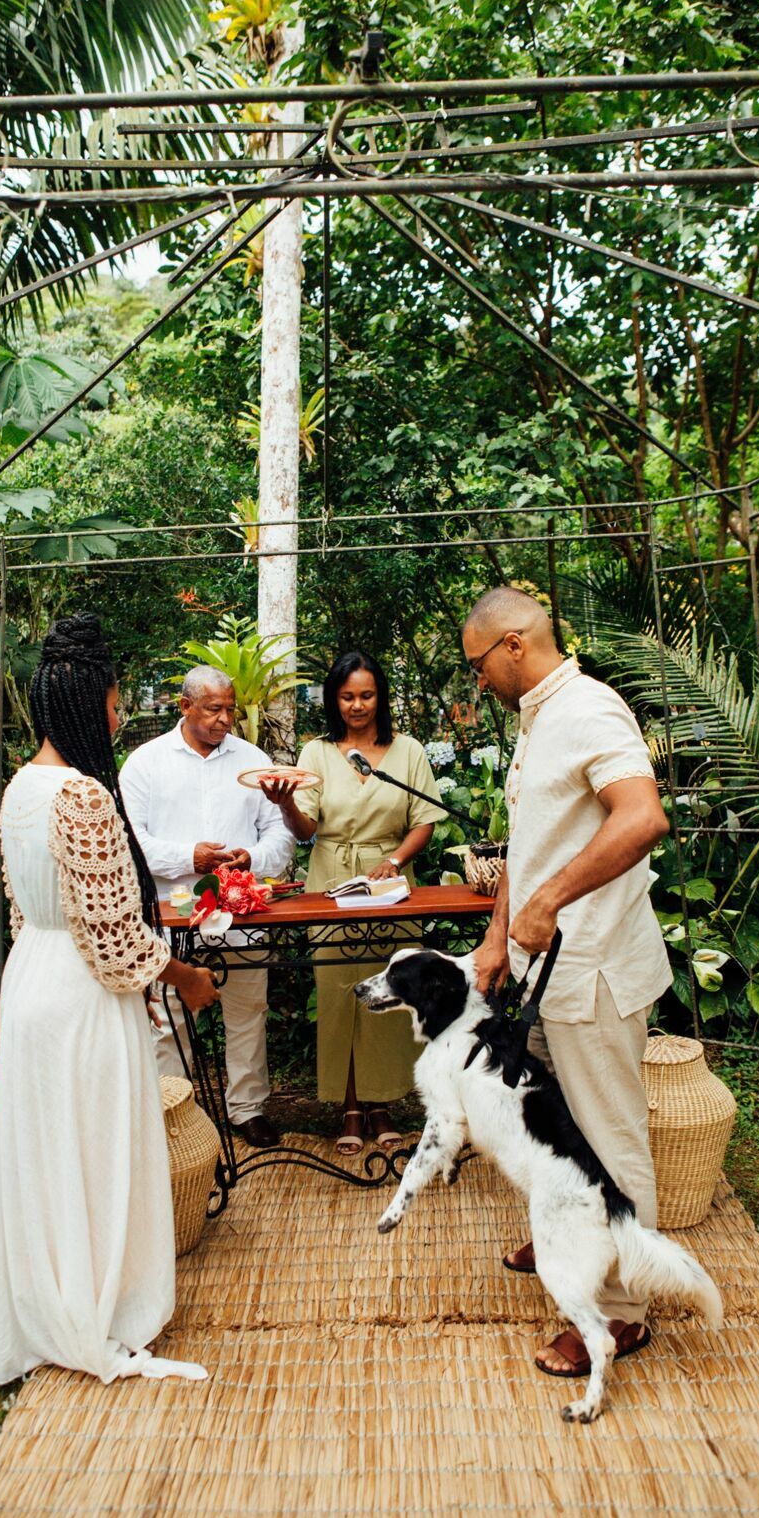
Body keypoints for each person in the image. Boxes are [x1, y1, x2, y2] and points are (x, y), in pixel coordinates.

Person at [0, 612, 217, 1387]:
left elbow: (26, 909)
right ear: (86, 703)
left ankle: (53, 1295)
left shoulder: (21, 787)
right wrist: (184, 979)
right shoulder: (81, 796)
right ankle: (97, 1305)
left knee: (50, 1152)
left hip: (33, 979)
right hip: (81, 993)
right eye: (114, 703)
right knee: (96, 1149)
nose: (117, 717)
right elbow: (115, 940)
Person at [462, 585, 672, 1381]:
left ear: (514, 644)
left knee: (606, 1136)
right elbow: (531, 843)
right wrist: (494, 936)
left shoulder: (588, 710)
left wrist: (550, 901)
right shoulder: (538, 719)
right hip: (542, 972)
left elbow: (641, 817)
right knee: (552, 1128)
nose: (476, 681)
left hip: (593, 972)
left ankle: (618, 1313)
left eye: (478, 663)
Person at [264, 651, 447, 1153]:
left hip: (390, 884)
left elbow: (425, 818)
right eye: (347, 697)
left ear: (380, 696)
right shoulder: (315, 754)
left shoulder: (407, 750)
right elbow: (306, 829)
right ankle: (348, 1105)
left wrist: (396, 859)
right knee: (340, 992)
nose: (357, 705)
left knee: (390, 990)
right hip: (329, 883)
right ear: (333, 699)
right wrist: (284, 806)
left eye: (366, 695)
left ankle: (382, 1102)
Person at [119, 666, 295, 1148]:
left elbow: (280, 836)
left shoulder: (253, 761)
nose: (223, 720)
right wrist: (188, 857)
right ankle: (175, 1113)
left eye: (230, 709)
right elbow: (130, 842)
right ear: (184, 706)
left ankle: (247, 1109)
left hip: (242, 913)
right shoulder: (145, 763)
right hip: (172, 917)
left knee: (247, 1010)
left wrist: (251, 857)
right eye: (213, 709)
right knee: (170, 1015)